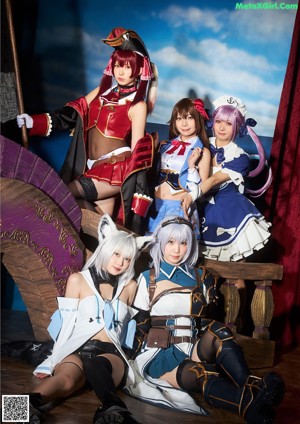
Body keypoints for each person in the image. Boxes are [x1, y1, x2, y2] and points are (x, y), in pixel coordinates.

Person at [125, 216, 284, 423]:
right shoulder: (149, 278)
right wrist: (127, 357)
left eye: (183, 243)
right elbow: (140, 323)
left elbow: (203, 321)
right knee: (201, 374)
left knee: (221, 331)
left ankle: (251, 386)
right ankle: (251, 403)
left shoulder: (201, 276)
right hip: (161, 352)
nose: (177, 249)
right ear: (161, 243)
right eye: (171, 242)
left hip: (192, 345)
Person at [16, 27, 158, 234]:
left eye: (128, 67)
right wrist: (33, 122)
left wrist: (138, 191)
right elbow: (73, 112)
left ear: (138, 70)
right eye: (118, 64)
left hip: (114, 170)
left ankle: (26, 228)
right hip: (92, 168)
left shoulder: (138, 105)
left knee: (62, 192)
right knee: (101, 231)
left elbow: (138, 151)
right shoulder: (102, 92)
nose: (121, 71)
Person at [22, 213, 153, 424]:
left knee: (96, 365)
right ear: (105, 250)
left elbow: (132, 329)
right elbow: (66, 325)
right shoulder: (77, 280)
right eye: (116, 254)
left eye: (127, 258)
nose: (120, 262)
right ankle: (20, 409)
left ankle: (113, 410)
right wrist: (53, 359)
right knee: (65, 380)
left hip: (111, 356)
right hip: (77, 349)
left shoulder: (131, 287)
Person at [180, 95, 272, 329]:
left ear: (237, 127)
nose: (222, 127)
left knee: (234, 273)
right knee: (201, 270)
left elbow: (212, 181)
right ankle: (200, 322)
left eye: (229, 123)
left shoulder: (239, 157)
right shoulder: (199, 143)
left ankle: (235, 326)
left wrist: (192, 194)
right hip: (201, 213)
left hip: (230, 213)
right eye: (219, 121)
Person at [147, 98, 211, 238]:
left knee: (175, 252)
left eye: (189, 118)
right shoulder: (164, 145)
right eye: (179, 118)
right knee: (149, 252)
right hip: (155, 206)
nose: (184, 123)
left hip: (179, 207)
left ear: (198, 119)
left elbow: (200, 191)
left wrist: (191, 166)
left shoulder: (203, 152)